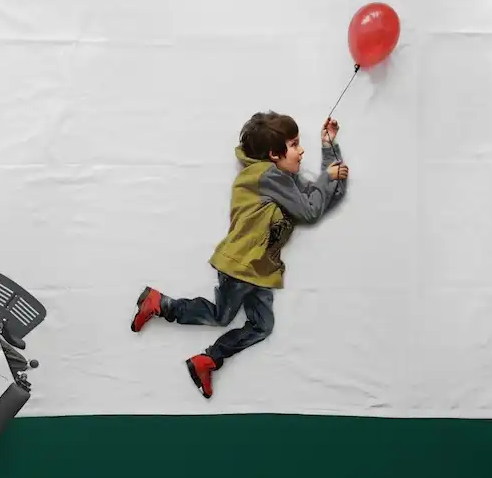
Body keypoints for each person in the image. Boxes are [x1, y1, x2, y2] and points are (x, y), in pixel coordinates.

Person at [130, 111, 349, 398]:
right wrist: (327, 177)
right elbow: (310, 210)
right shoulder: (267, 175)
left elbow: (326, 196)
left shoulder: (286, 179)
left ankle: (207, 360)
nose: (301, 150)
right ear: (273, 154)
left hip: (260, 269)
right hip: (241, 264)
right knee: (221, 316)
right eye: (294, 145)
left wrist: (329, 148)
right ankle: (161, 304)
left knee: (262, 326)